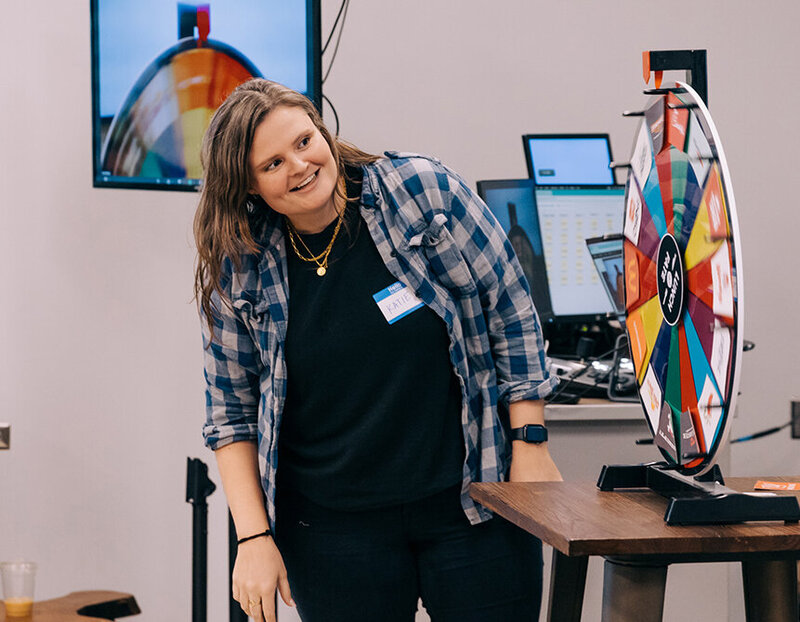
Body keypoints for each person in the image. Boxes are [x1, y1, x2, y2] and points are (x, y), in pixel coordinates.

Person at [194, 78, 562, 622]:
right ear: (248, 187)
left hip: (470, 506)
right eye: (271, 164)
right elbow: (231, 415)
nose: (298, 166)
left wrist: (530, 442)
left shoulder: (422, 193)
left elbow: (509, 305)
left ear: (323, 131)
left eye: (302, 141)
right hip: (331, 530)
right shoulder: (241, 263)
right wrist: (253, 538)